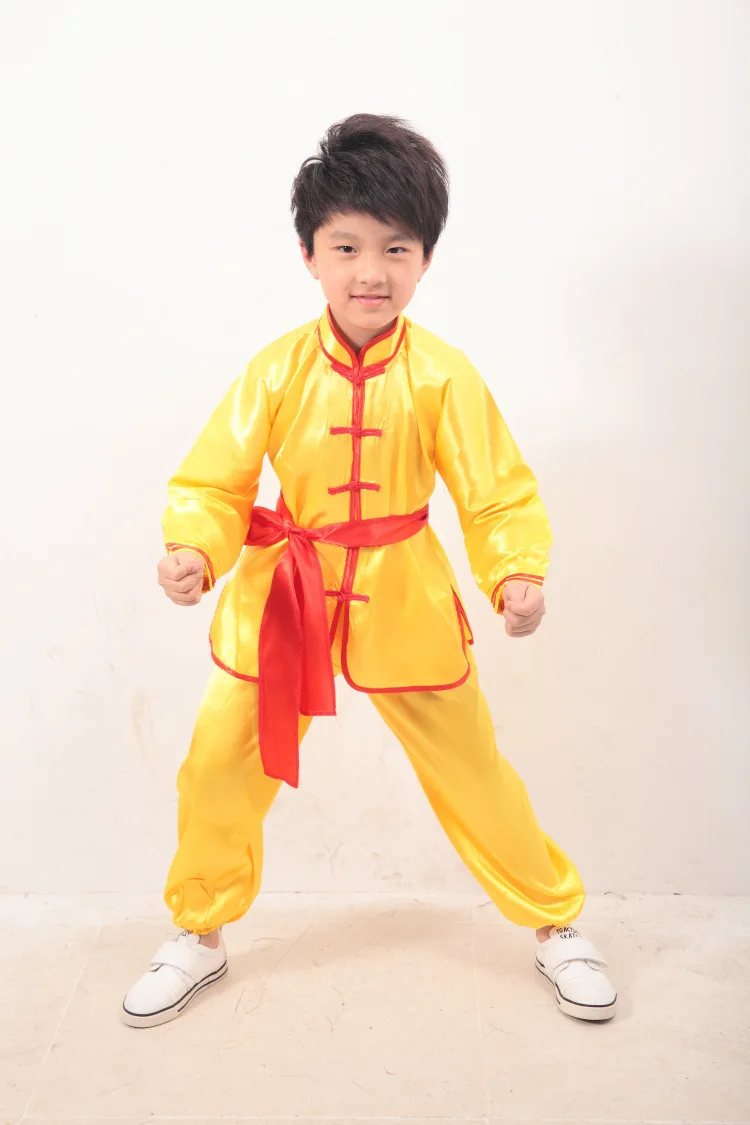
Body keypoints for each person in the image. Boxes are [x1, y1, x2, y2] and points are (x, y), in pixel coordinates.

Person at [122, 113, 616, 1029]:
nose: (370, 271)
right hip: (284, 596)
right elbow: (215, 481)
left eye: (396, 248)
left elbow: (495, 489)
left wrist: (515, 570)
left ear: (425, 259)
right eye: (346, 246)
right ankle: (199, 929)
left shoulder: (442, 375)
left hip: (405, 599)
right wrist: (195, 547)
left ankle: (555, 919)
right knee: (217, 763)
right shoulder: (275, 370)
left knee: (474, 769)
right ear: (309, 255)